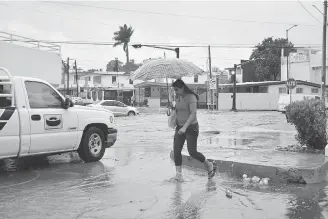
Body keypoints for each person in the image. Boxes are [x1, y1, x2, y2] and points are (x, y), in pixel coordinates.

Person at [171, 79, 215, 181]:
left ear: (182, 88)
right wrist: (172, 112)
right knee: (176, 151)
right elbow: (178, 112)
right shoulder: (178, 98)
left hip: (191, 128)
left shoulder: (191, 97)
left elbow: (193, 114)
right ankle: (178, 176)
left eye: (177, 89)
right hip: (179, 128)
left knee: (192, 152)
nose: (175, 92)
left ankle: (208, 164)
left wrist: (184, 127)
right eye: (174, 90)